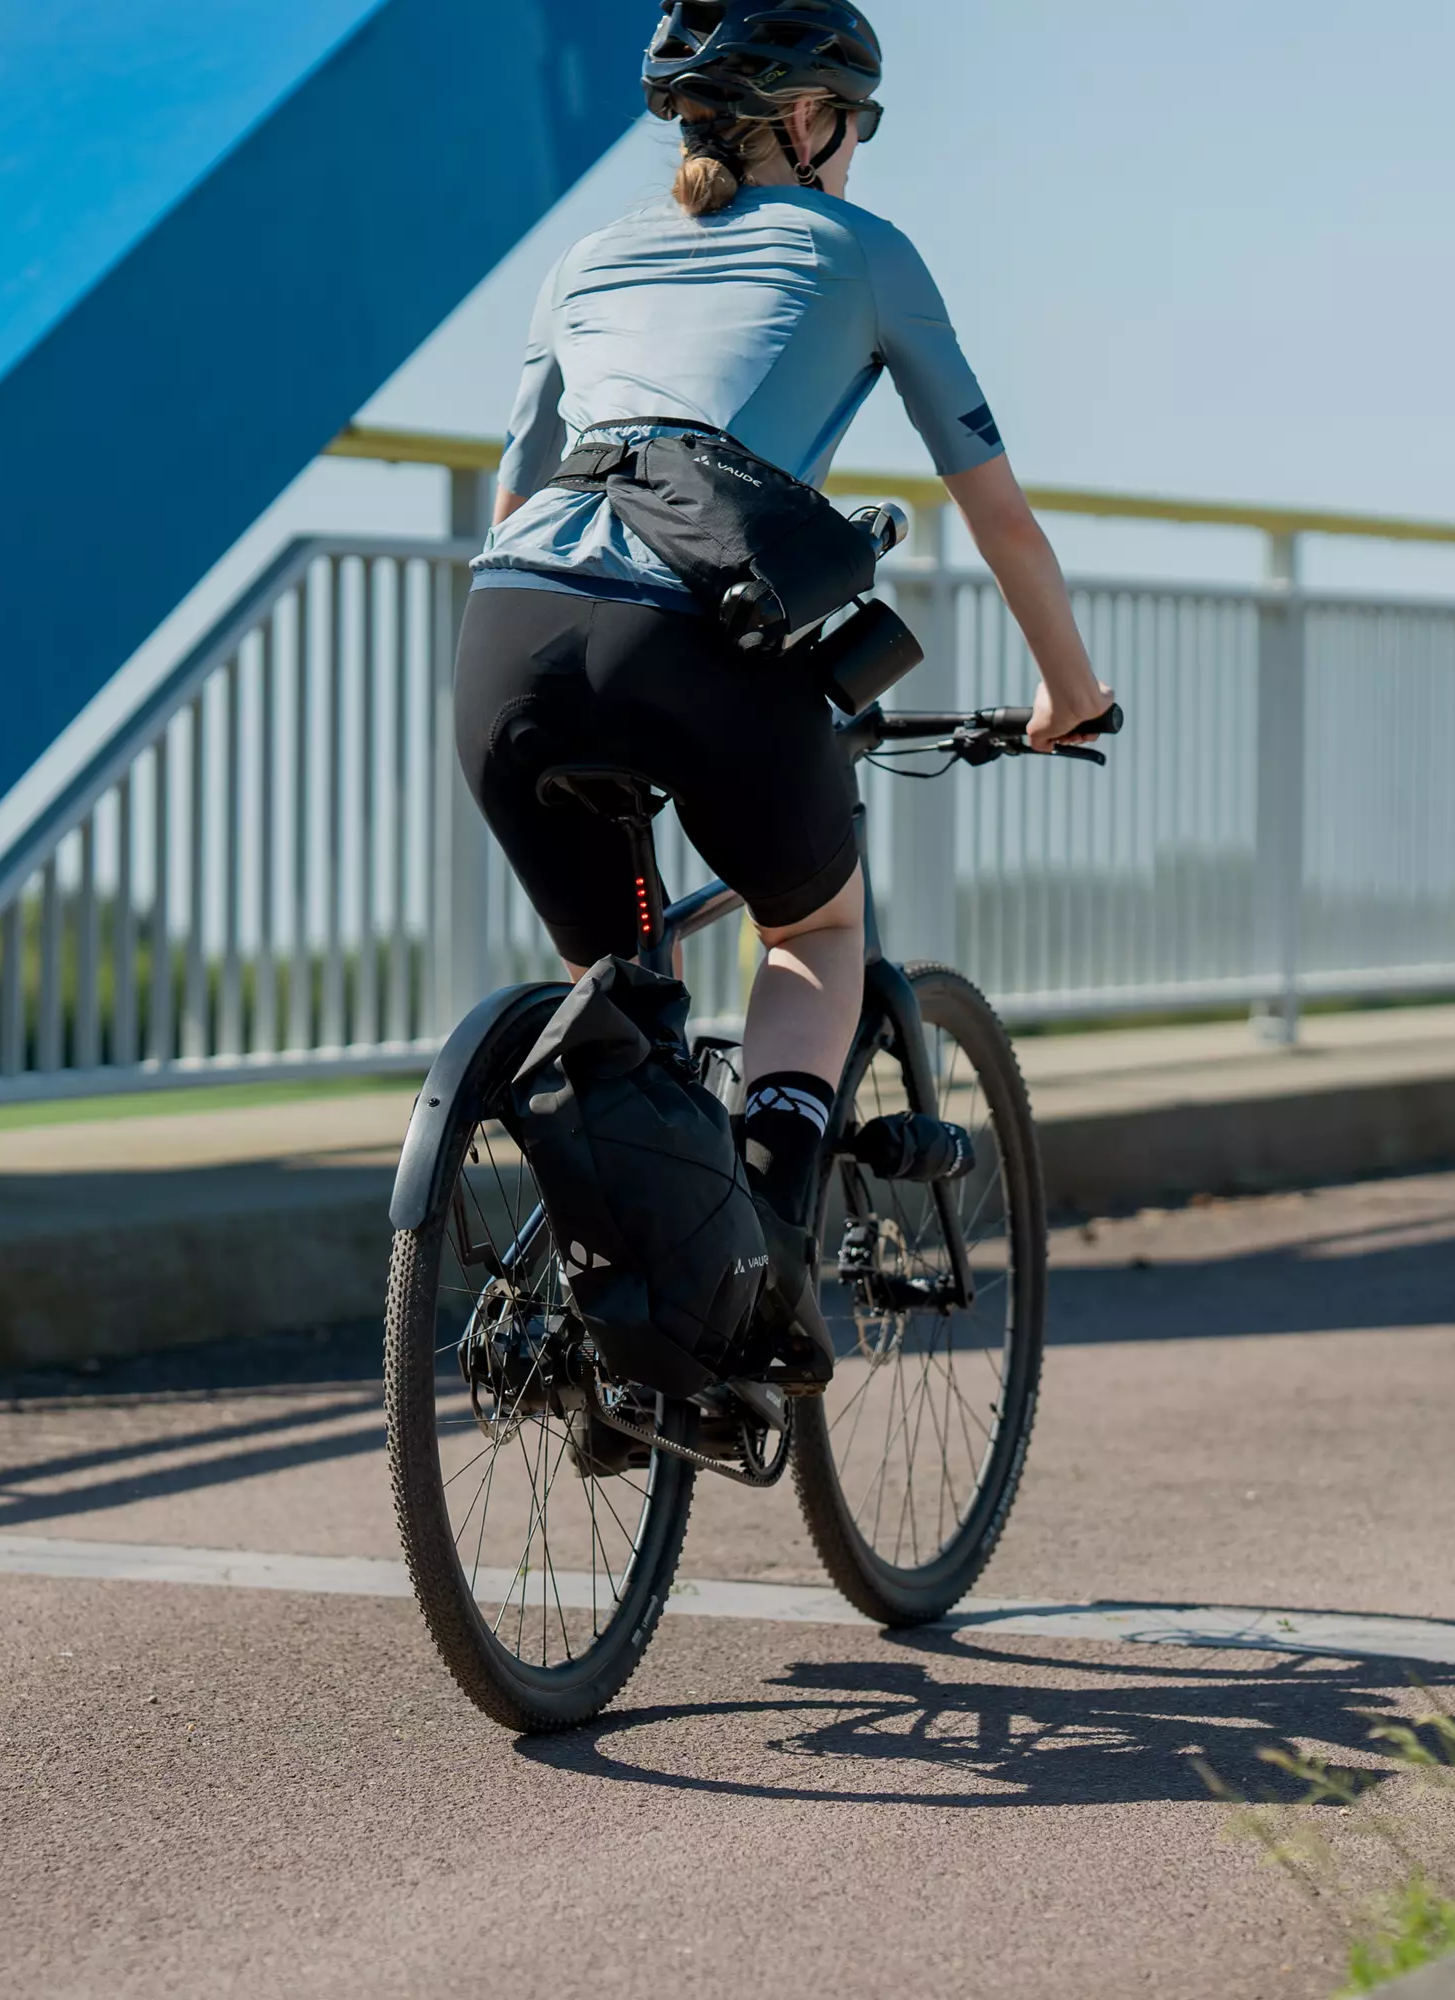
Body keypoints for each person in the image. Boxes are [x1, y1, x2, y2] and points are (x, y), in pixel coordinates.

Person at [458, 0, 1113, 1385]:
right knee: (813, 929)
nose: (856, 151)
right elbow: (996, 513)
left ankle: (615, 1338)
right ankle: (755, 1263)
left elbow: (514, 492)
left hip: (506, 640)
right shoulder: (862, 252)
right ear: (810, 121)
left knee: (620, 989)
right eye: (855, 125)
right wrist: (1072, 690)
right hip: (689, 630)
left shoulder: (584, 260)